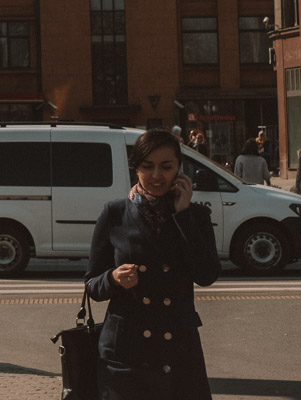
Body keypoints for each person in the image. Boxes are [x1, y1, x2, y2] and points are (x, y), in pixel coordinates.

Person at [85, 128, 219, 399]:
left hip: (178, 349)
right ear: (136, 168)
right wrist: (113, 278)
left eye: (166, 167)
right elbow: (92, 284)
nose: (157, 176)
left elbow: (206, 275)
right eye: (148, 167)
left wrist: (182, 215)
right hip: (127, 352)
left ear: (179, 170)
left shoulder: (196, 215)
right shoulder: (115, 213)